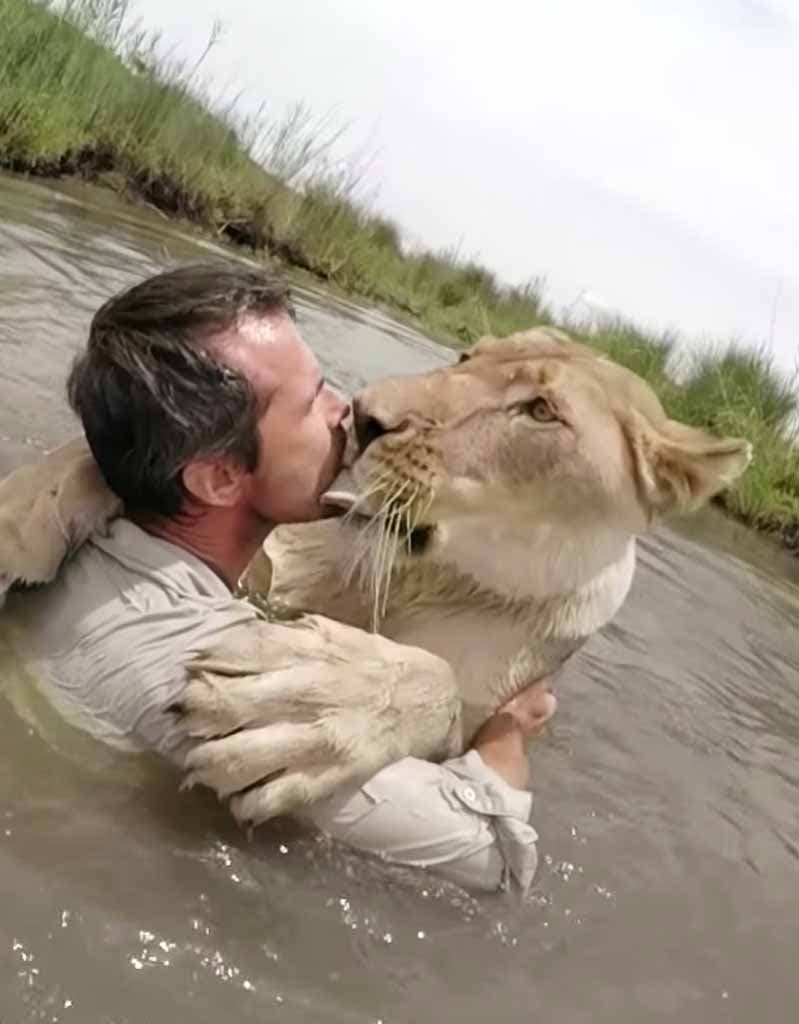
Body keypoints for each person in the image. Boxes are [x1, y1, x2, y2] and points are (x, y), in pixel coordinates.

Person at [1, 262, 556, 893]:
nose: (347, 410)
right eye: (313, 399)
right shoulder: (226, 690)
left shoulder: (68, 536)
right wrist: (510, 730)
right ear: (217, 479)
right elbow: (499, 863)